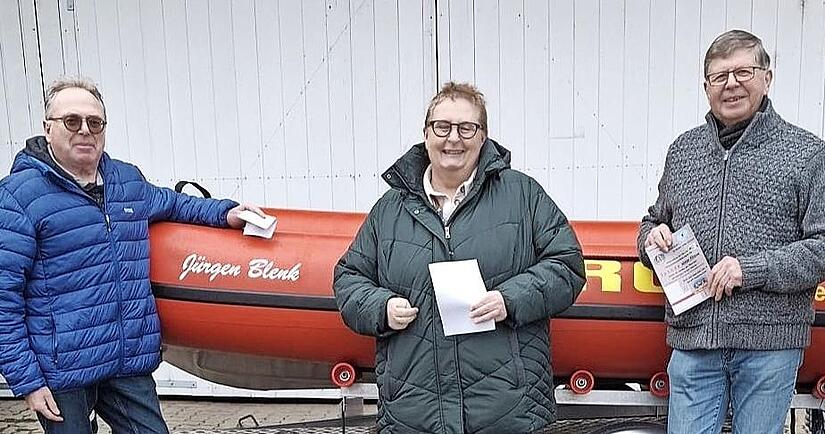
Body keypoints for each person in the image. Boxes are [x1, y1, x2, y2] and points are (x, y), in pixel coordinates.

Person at [0, 77, 263, 434]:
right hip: (62, 371)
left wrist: (226, 213)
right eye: (72, 121)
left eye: (95, 122)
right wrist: (27, 381)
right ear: (48, 128)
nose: (85, 131)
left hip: (125, 359)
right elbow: (4, 298)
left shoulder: (126, 181)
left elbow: (174, 203)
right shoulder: (18, 197)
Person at [334, 82, 586, 433]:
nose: (453, 138)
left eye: (466, 128)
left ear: (483, 137)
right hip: (414, 412)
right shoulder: (389, 210)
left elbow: (567, 265)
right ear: (426, 134)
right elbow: (349, 278)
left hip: (508, 410)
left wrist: (509, 299)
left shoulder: (522, 194)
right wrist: (382, 308)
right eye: (442, 127)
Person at [638, 30, 825, 434]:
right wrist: (651, 239)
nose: (731, 84)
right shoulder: (683, 151)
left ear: (767, 79)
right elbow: (653, 220)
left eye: (743, 72)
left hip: (769, 345)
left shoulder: (807, 153)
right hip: (694, 341)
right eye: (720, 76)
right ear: (706, 87)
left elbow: (821, 248)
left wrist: (750, 270)